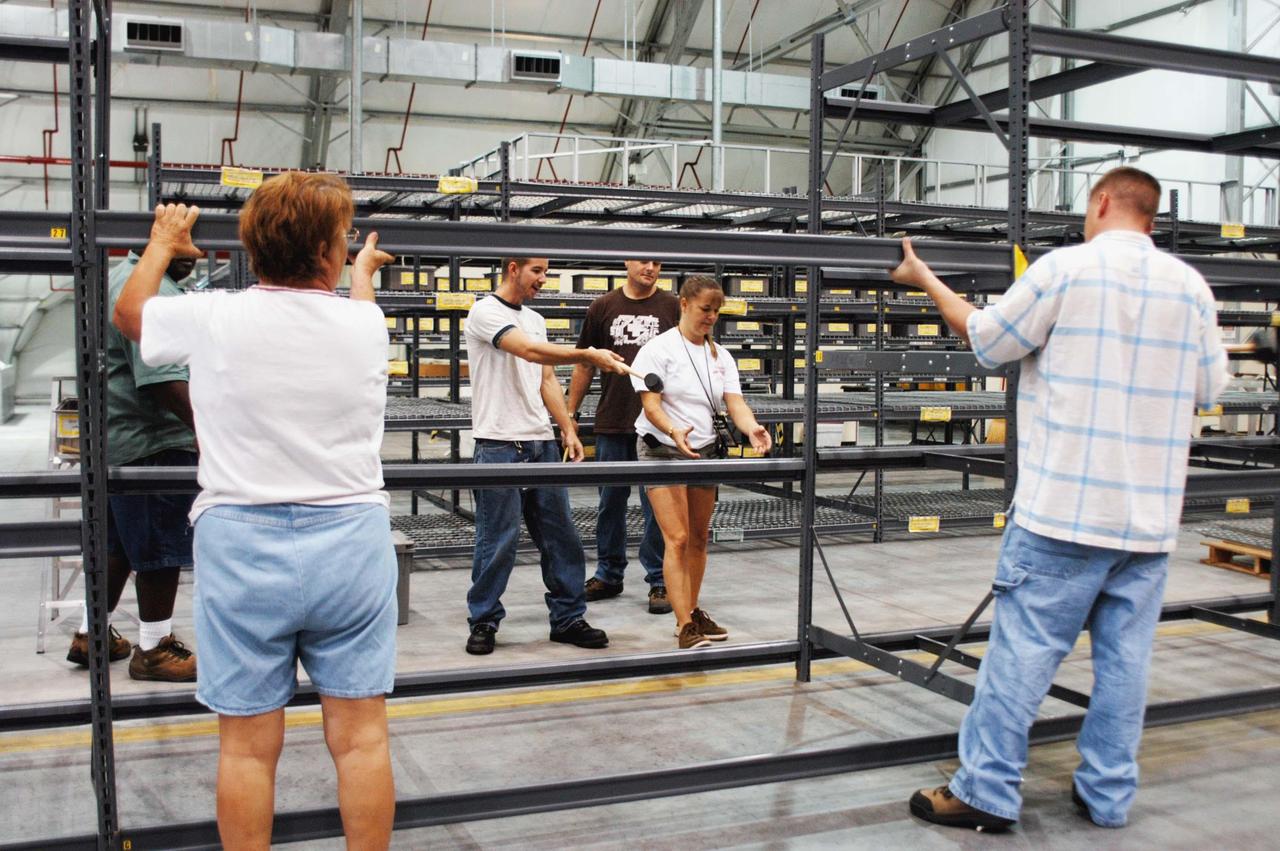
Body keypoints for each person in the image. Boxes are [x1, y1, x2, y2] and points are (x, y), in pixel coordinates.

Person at [892, 167, 1228, 833]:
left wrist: (925, 279)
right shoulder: (1191, 288)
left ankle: (986, 789)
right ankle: (1107, 796)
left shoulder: (1065, 269)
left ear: (1102, 202)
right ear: (1151, 217)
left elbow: (986, 338)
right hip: (1148, 525)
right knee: (1125, 665)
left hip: (1065, 516)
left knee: (1023, 655)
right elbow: (1210, 388)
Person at [114, 173, 401, 849]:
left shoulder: (215, 313)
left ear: (254, 246)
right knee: (361, 740)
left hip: (242, 541)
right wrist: (363, 271)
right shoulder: (366, 322)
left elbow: (131, 314)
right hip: (351, 542)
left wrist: (161, 243)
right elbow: (356, 303)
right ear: (330, 252)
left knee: (245, 748)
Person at [463, 257, 629, 656]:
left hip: (542, 444)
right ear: (513, 268)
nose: (544, 278)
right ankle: (484, 619)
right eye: (537, 271)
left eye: (547, 271)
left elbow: (546, 378)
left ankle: (568, 617)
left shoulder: (536, 318)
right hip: (499, 444)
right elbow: (530, 353)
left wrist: (567, 428)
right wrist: (588, 354)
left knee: (562, 538)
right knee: (497, 540)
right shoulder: (484, 311)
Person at [65, 250, 199, 682]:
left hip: (120, 439)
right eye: (188, 248)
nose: (195, 258)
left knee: (118, 546)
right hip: (153, 439)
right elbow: (162, 379)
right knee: (160, 550)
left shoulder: (126, 275)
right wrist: (211, 428)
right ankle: (155, 648)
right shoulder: (151, 288)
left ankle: (91, 634)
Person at [630, 275, 772, 650]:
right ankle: (683, 625)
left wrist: (752, 428)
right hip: (662, 448)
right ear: (684, 305)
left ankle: (691, 609)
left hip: (705, 450)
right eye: (704, 309)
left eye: (715, 312)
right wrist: (674, 430)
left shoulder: (720, 356)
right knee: (675, 538)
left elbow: (734, 403)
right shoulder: (656, 351)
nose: (710, 317)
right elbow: (651, 406)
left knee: (697, 538)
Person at [568, 259, 680, 615]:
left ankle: (660, 580)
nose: (650, 267)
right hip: (613, 420)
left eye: (658, 263)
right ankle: (608, 573)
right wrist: (570, 415)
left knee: (657, 507)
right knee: (609, 505)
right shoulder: (602, 306)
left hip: (657, 425)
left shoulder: (673, 306)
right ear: (627, 262)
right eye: (644, 260)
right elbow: (584, 363)